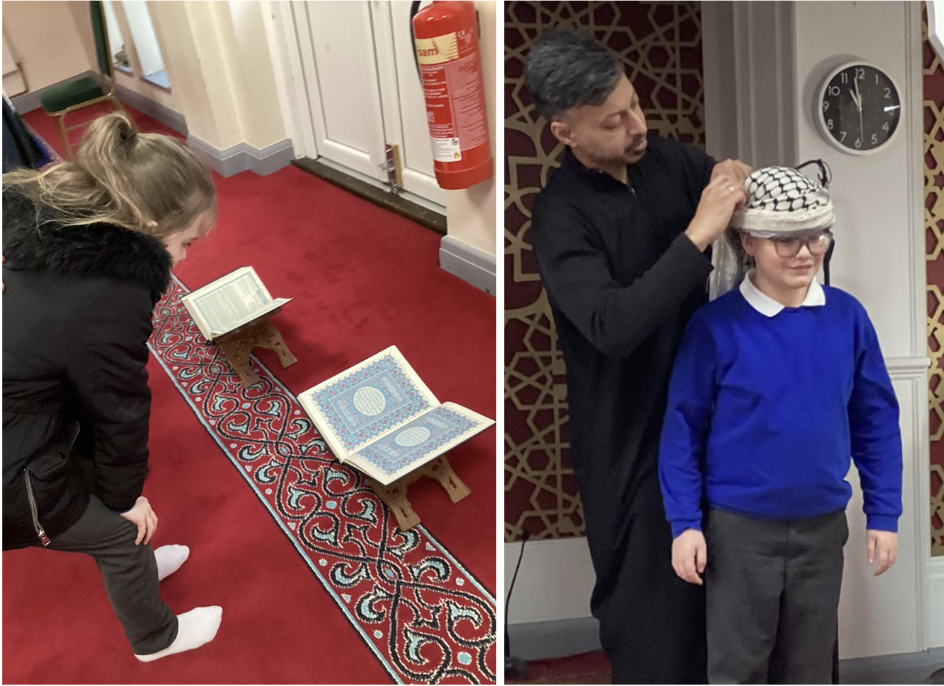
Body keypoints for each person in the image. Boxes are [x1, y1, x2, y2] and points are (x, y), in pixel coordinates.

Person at [523, 28, 751, 683]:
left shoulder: (671, 163)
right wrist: (697, 233)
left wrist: (736, 177)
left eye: (635, 104)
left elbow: (723, 180)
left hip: (713, 425)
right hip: (629, 442)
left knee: (729, 612)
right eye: (613, 120)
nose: (637, 125)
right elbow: (612, 324)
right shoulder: (560, 218)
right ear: (566, 133)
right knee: (653, 626)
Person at [659, 166, 902, 683]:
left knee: (810, 669)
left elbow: (875, 420)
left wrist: (884, 513)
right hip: (738, 532)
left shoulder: (848, 318)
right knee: (737, 667)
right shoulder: (714, 327)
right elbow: (683, 431)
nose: (804, 252)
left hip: (822, 528)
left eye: (815, 237)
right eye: (784, 240)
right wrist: (684, 524)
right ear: (748, 240)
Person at [3, 112, 223, 662]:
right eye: (187, 242)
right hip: (10, 477)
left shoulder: (63, 241)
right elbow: (119, 410)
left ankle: (136, 556)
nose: (188, 258)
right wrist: (123, 504)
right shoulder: (110, 296)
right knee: (121, 535)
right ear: (148, 224)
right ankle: (155, 639)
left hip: (28, 427)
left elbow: (80, 389)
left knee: (111, 505)